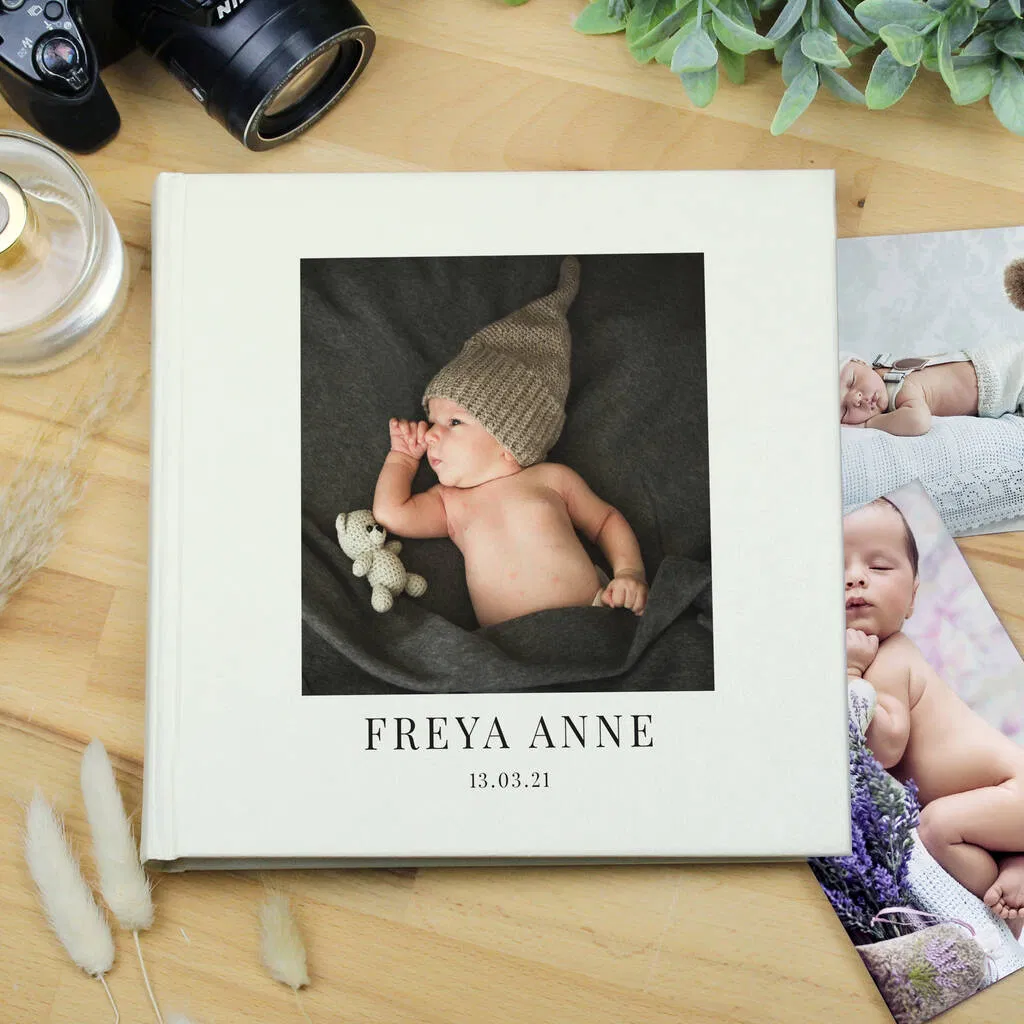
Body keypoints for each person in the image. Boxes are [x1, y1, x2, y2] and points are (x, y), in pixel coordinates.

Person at [372, 256, 648, 629]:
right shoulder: (451, 503)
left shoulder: (552, 479)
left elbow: (605, 521)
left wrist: (630, 572)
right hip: (510, 647)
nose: (432, 433)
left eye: (454, 422)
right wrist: (403, 460)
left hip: (590, 619)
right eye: (433, 421)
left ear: (510, 440)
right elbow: (392, 514)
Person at [844, 498, 1024, 937]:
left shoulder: (889, 658)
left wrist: (848, 671)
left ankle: (1007, 915)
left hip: (1013, 790)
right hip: (998, 807)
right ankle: (1015, 865)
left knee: (938, 827)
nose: (853, 577)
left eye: (880, 567)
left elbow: (886, 748)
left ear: (912, 597)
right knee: (946, 826)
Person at [838, 345, 1024, 435]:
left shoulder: (897, 392)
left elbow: (918, 421)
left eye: (852, 382)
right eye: (845, 410)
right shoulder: (884, 367)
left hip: (1002, 379)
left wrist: (867, 425)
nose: (857, 399)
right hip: (998, 362)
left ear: (861, 362)